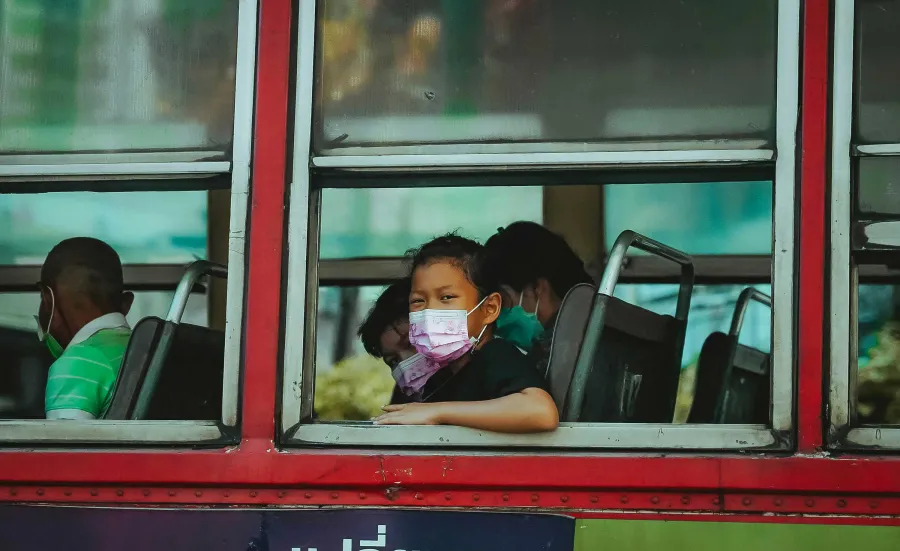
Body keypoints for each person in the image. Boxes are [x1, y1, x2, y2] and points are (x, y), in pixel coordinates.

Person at [373, 234, 558, 433]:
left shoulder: (495, 354)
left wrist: (436, 412)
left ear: (489, 309)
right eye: (418, 301)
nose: (429, 313)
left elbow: (541, 411)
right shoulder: (445, 375)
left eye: (446, 297)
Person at [37, 238, 134, 420]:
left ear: (48, 300)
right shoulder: (145, 350)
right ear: (126, 303)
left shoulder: (76, 364)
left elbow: (64, 446)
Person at [483, 221, 594, 373]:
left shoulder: (556, 360)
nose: (497, 319)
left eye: (502, 302)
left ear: (536, 288)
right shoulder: (595, 329)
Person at [357, 278, 418, 405]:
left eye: (411, 344)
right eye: (393, 361)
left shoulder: (469, 383)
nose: (404, 365)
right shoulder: (404, 398)